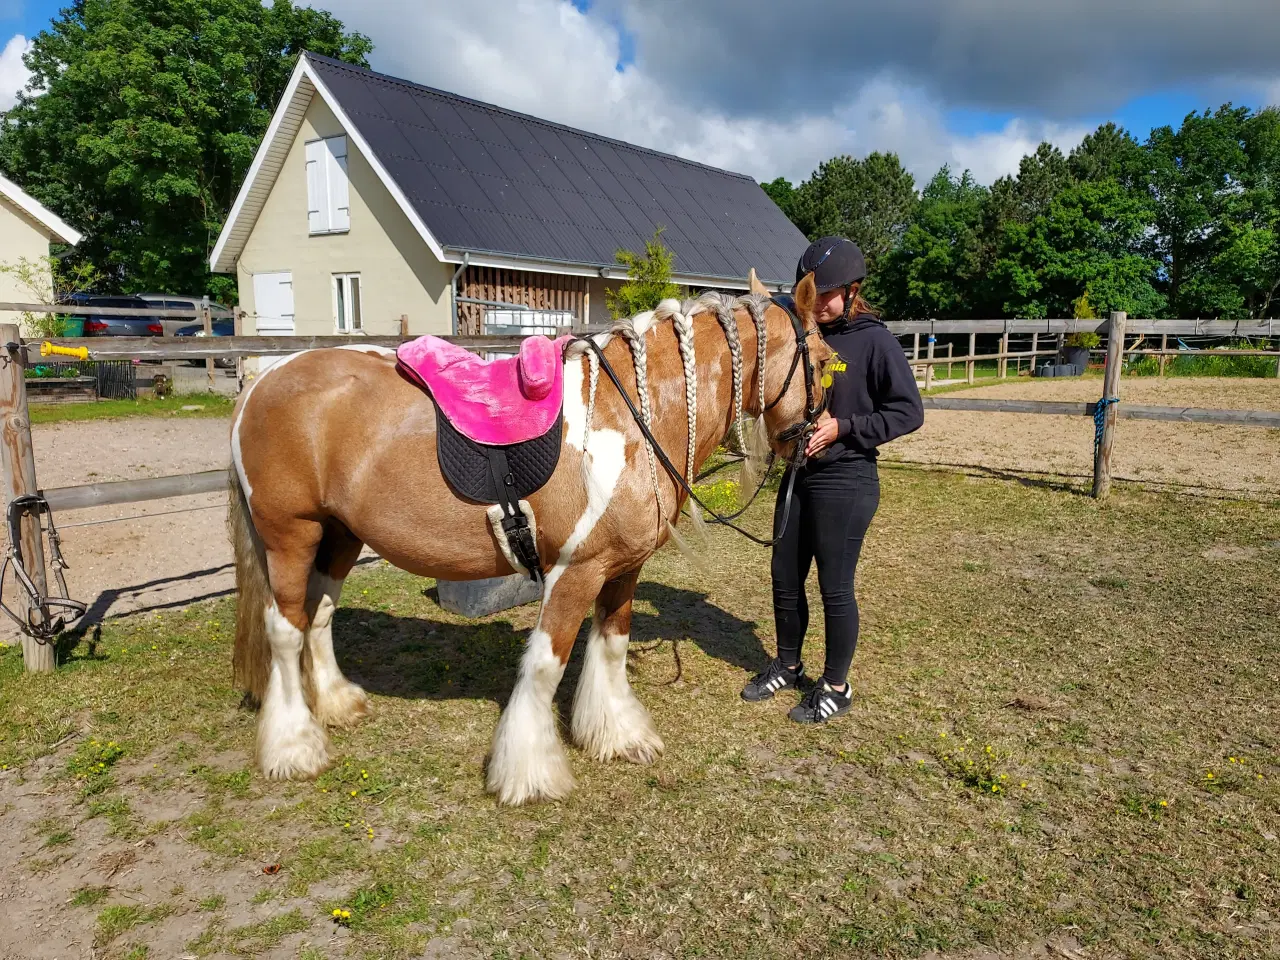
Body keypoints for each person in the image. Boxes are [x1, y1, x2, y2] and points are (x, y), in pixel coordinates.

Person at [741, 237, 924, 723]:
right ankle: (788, 662)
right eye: (812, 294)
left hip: (847, 476)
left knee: (835, 587)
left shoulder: (874, 340)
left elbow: (908, 411)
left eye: (828, 294)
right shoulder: (800, 331)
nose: (819, 303)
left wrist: (845, 427)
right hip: (800, 472)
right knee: (784, 575)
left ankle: (837, 686)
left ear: (852, 291)